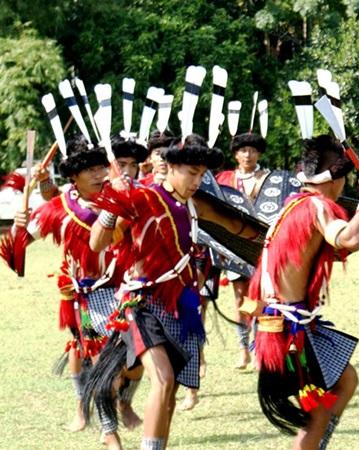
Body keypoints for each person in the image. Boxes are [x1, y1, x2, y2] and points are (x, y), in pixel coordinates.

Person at [83, 134, 257, 450]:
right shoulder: (143, 198)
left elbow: (237, 227)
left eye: (202, 174)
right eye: (192, 173)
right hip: (143, 304)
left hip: (184, 304)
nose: (197, 180)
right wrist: (113, 204)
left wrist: (277, 236)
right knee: (161, 379)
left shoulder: (195, 204)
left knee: (170, 391)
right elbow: (97, 243)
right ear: (171, 167)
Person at [240, 134, 359, 449]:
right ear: (338, 177)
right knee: (318, 406)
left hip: (279, 322)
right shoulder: (316, 206)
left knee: (345, 380)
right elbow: (348, 240)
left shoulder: (294, 205)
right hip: (287, 330)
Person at [3, 135, 135, 443]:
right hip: (86, 298)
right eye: (89, 169)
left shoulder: (122, 198)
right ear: (73, 176)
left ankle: (121, 401)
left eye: (102, 167)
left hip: (127, 291)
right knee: (98, 359)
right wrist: (17, 227)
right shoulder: (56, 209)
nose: (100, 174)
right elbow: (15, 255)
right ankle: (108, 429)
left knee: (135, 359)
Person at [215, 132, 269, 370]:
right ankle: (243, 350)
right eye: (243, 150)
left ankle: (259, 349)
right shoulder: (225, 179)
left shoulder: (268, 179)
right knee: (241, 299)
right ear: (236, 154)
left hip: (260, 247)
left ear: (258, 153)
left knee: (260, 299)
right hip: (235, 247)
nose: (248, 155)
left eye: (252, 150)